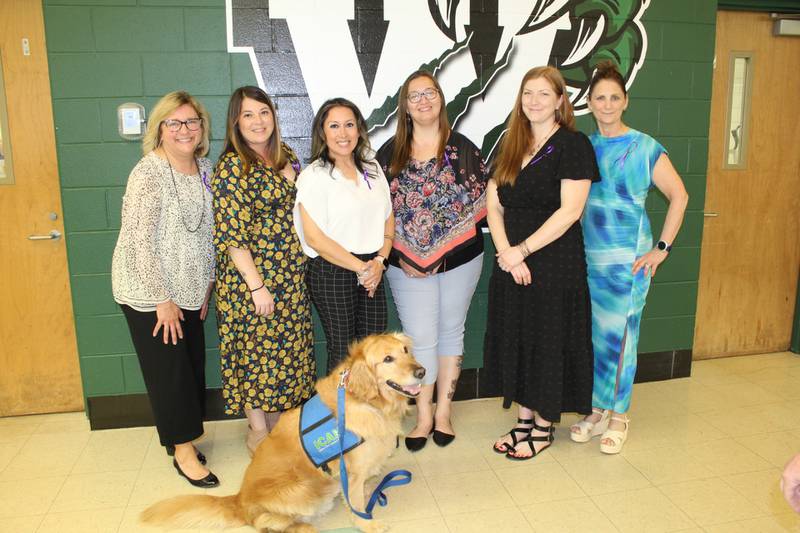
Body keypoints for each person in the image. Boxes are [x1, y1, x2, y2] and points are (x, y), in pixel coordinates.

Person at [570, 60, 688, 454]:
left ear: (626, 101)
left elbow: (680, 196)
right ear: (590, 102)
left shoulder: (644, 146)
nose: (606, 105)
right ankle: (599, 409)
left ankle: (620, 415)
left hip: (630, 263)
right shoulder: (584, 146)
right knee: (599, 338)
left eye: (614, 98)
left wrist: (661, 250)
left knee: (623, 339)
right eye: (600, 98)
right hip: (591, 262)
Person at [484, 66, 600, 460]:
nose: (533, 101)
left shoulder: (573, 145)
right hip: (511, 260)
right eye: (527, 93)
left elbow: (570, 211)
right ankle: (523, 420)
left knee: (548, 341)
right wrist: (506, 253)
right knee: (519, 337)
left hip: (554, 263)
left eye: (544, 94)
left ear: (560, 101)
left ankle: (544, 426)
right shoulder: (511, 143)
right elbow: (493, 205)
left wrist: (524, 250)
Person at [111, 91, 218, 487]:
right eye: (174, 123)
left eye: (192, 122)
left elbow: (208, 230)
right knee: (170, 373)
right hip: (149, 292)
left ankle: (184, 436)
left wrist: (207, 282)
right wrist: (162, 299)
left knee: (189, 367)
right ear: (160, 130)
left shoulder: (205, 168)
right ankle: (183, 451)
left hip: (190, 288)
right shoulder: (148, 173)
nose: (184, 130)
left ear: (202, 128)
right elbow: (140, 240)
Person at [376, 71, 487, 451]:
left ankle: (443, 413)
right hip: (404, 265)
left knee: (451, 331)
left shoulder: (465, 149)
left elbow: (481, 210)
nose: (423, 101)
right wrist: (399, 253)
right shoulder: (389, 154)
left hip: (461, 261)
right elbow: (378, 213)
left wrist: (444, 254)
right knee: (419, 337)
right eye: (414, 96)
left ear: (441, 99)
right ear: (404, 106)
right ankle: (422, 416)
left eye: (430, 93)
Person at [212, 86, 316, 455]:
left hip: (289, 277)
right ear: (235, 123)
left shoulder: (284, 155)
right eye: (248, 115)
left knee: (286, 355)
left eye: (263, 112)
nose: (258, 122)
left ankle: (281, 430)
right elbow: (232, 236)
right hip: (251, 282)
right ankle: (258, 432)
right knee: (255, 356)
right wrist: (257, 287)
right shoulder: (232, 166)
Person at [294, 98, 393, 370]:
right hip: (333, 271)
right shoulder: (314, 175)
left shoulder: (371, 167)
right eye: (334, 126)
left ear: (359, 129)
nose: (343, 133)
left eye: (349, 125)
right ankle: (340, 412)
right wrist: (362, 268)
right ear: (322, 132)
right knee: (343, 349)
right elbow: (315, 239)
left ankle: (366, 411)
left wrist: (380, 262)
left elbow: (388, 217)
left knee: (372, 348)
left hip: (373, 267)